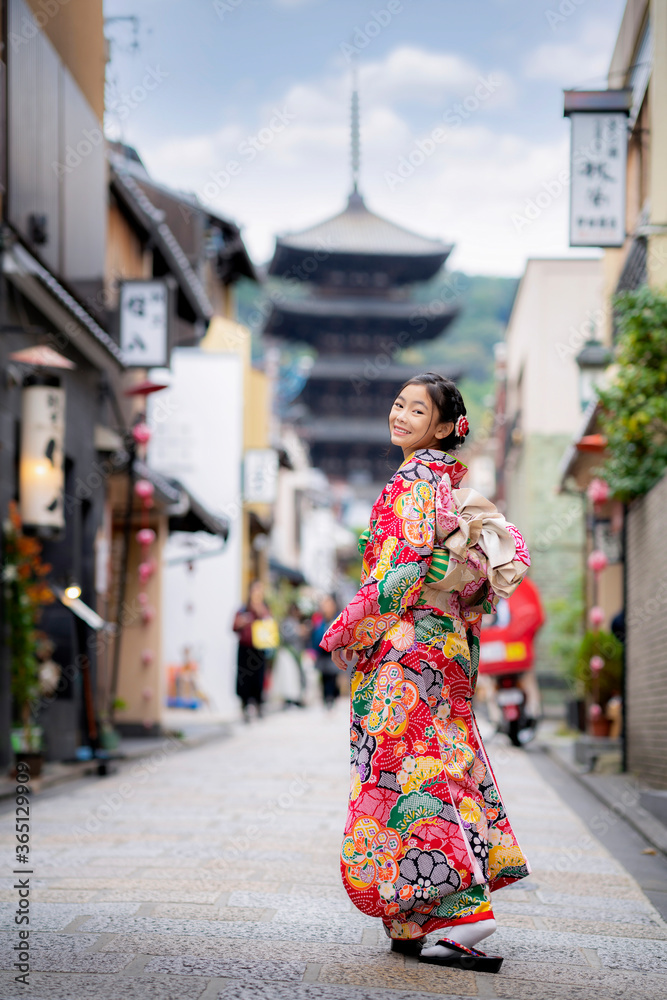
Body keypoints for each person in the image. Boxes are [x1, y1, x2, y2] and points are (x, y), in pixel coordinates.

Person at [319, 373, 531, 972]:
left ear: (444, 427)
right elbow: (464, 588)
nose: (401, 414)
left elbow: (404, 569)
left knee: (410, 771)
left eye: (418, 409)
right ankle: (413, 917)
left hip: (405, 650)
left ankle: (462, 914)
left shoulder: (415, 481)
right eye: (398, 404)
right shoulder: (445, 484)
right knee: (439, 760)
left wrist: (346, 628)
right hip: (443, 650)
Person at [233, 580, 271, 722]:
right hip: (245, 649)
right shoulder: (242, 609)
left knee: (258, 678)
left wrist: (260, 610)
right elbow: (234, 626)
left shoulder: (264, 608)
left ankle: (258, 705)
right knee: (244, 679)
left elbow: (270, 623)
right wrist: (242, 622)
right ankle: (244, 706)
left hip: (259, 648)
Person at [311, 595, 341, 708]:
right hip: (322, 654)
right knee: (324, 678)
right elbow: (315, 638)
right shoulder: (319, 621)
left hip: (334, 654)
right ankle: (326, 699)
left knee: (332, 677)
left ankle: (332, 698)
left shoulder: (338, 619)